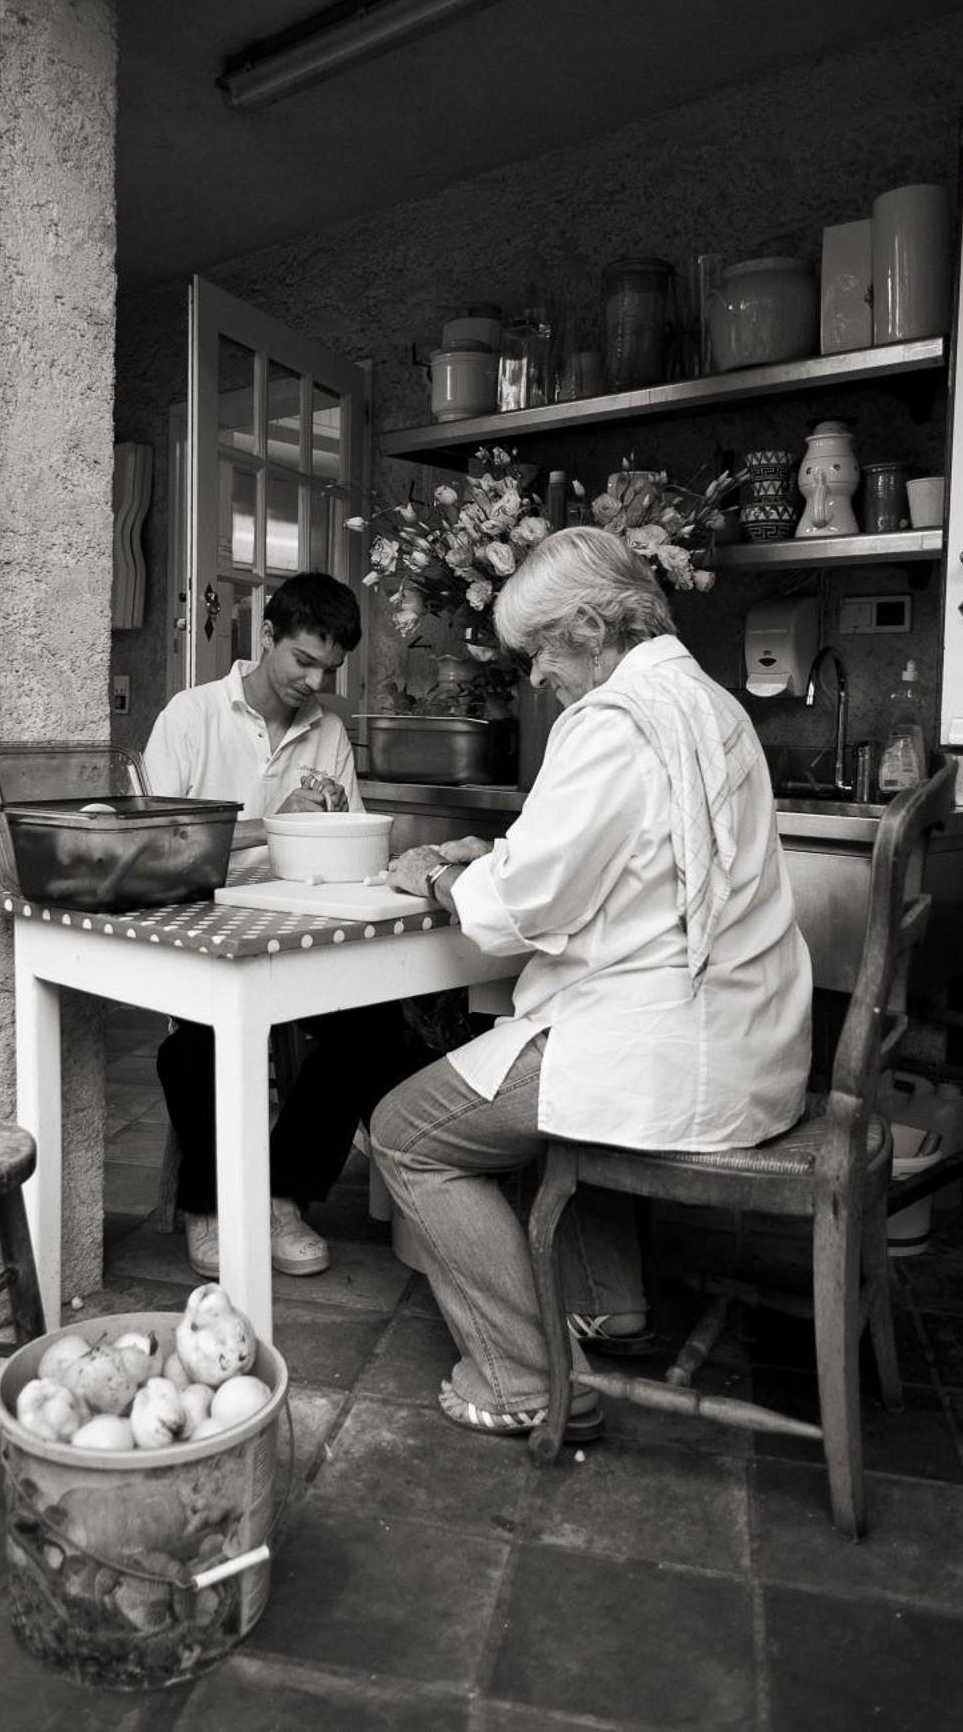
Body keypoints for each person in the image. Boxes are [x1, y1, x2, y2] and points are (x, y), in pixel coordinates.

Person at [370, 526, 812, 1440]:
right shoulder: (707, 703)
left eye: (537, 650)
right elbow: (611, 863)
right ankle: (609, 1308)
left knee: (407, 1135)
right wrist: (494, 861)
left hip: (662, 1048)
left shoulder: (613, 721)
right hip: (745, 1045)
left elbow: (526, 903)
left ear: (585, 625)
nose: (535, 674)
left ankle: (525, 1380)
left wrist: (443, 877)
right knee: (543, 1088)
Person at [142, 572, 413, 1278]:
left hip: (299, 927)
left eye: (328, 669)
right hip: (199, 925)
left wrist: (337, 835)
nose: (314, 681)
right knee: (198, 1044)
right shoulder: (190, 715)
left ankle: (281, 1196)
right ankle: (206, 1206)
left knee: (374, 1028)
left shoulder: (328, 731)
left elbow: (353, 845)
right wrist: (278, 822)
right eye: (302, 660)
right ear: (265, 636)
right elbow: (157, 845)